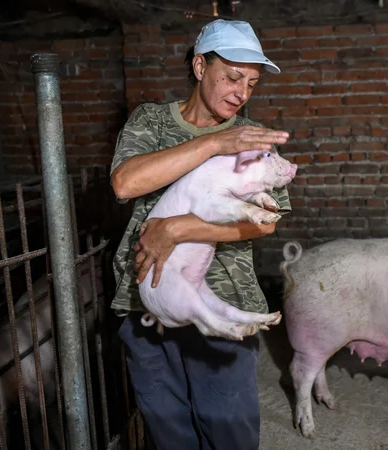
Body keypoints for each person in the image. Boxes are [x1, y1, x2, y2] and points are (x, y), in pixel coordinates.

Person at [108, 19, 292, 450]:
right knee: (169, 429)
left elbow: (268, 220)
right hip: (145, 295)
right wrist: (213, 144)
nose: (241, 93)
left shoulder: (253, 137)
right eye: (231, 77)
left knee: (230, 430)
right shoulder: (151, 121)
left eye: (251, 82)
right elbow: (125, 183)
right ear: (198, 66)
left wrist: (177, 228)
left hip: (225, 297)